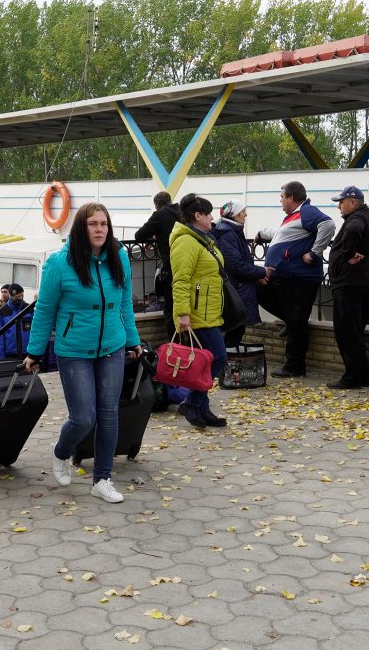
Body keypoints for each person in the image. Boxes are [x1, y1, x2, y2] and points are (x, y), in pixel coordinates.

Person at [23, 202, 142, 504]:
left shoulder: (120, 258)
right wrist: (35, 352)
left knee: (109, 415)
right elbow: (45, 309)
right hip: (74, 350)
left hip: (111, 348)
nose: (99, 229)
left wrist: (132, 340)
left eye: (103, 223)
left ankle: (102, 479)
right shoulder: (60, 263)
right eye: (93, 224)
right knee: (84, 418)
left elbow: (124, 303)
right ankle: (62, 452)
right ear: (81, 227)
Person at [256, 181, 336, 378]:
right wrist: (261, 233)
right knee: (260, 292)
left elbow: (328, 224)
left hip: (300, 277)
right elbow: (280, 235)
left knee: (298, 320)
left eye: (282, 197)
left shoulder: (307, 211)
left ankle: (295, 366)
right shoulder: (293, 217)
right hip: (287, 276)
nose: (280, 200)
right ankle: (289, 321)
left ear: (292, 198)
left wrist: (314, 253)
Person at [170, 193, 229, 429]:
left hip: (208, 309)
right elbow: (181, 280)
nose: (212, 218)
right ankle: (191, 402)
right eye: (209, 214)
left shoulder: (202, 239)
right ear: (198, 215)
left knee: (206, 362)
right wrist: (183, 313)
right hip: (196, 313)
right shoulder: (186, 241)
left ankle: (202, 409)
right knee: (218, 357)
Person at [327, 186, 369, 389]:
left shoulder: (357, 219)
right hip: (361, 282)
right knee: (355, 331)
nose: (339, 206)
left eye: (341, 202)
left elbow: (353, 230)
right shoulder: (368, 216)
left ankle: (352, 377)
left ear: (353, 202)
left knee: (346, 331)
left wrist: (347, 256)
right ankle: (363, 376)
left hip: (349, 283)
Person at [211, 200, 268, 347]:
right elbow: (237, 265)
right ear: (234, 215)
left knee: (234, 331)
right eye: (243, 212)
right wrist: (262, 272)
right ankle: (227, 367)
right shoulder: (228, 234)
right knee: (233, 332)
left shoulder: (229, 231)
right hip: (236, 291)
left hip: (237, 289)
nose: (246, 215)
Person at [135, 190, 182, 338]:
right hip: (189, 264)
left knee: (171, 306)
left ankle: (175, 346)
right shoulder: (182, 212)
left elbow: (139, 235)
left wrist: (153, 236)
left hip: (172, 266)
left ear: (157, 205)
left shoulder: (160, 215)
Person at [0, 283, 33, 359]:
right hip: (9, 355)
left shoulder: (29, 309)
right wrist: (1, 359)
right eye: (18, 297)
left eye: (22, 295)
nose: (21, 298)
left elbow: (35, 331)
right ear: (11, 296)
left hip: (27, 354)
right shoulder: (2, 312)